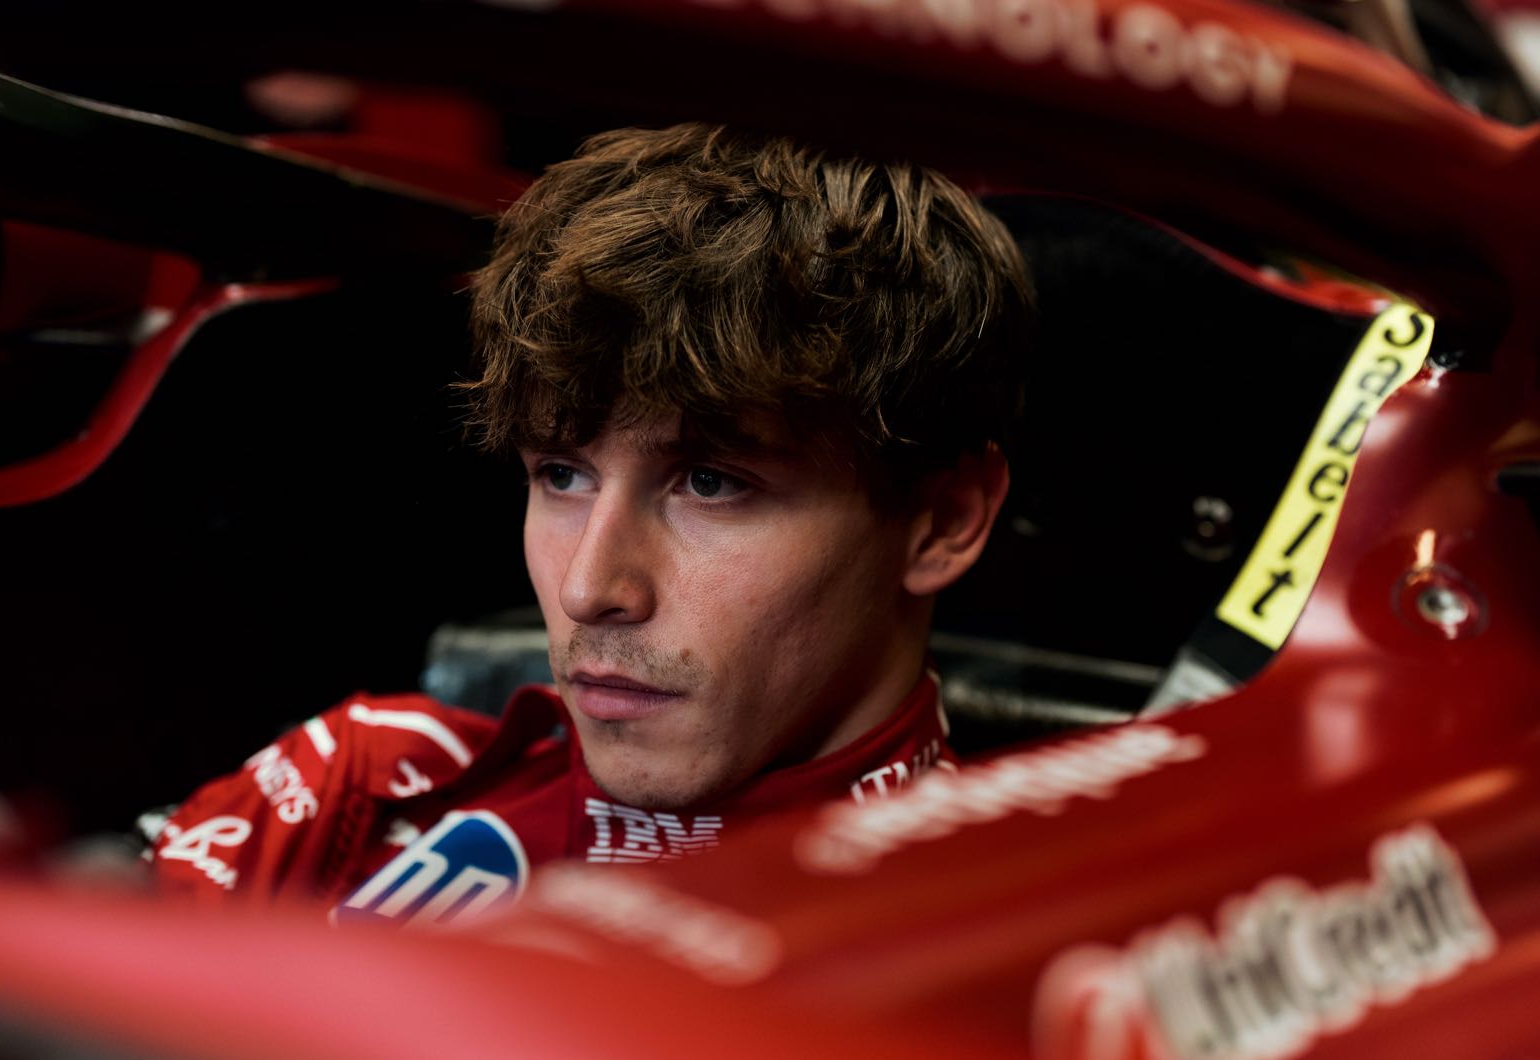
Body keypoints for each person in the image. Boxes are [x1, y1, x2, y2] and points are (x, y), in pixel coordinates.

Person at [146, 123, 1033, 926]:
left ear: (942, 523)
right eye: (562, 474)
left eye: (712, 484)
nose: (587, 588)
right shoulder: (359, 795)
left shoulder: (1004, 950)